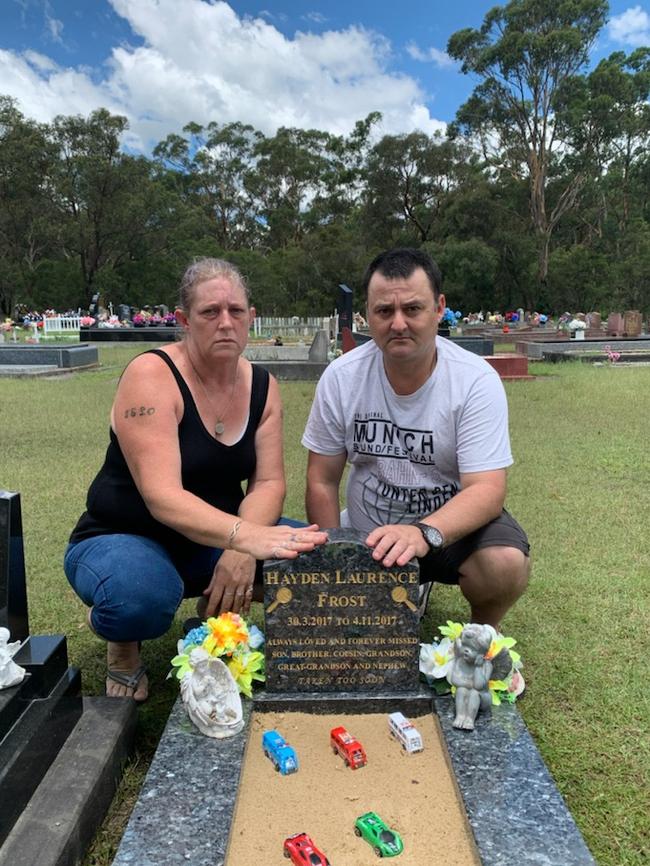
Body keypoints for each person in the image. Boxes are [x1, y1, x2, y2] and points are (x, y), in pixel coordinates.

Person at [65, 258, 327, 701]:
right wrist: (244, 537)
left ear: (251, 318)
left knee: (321, 560)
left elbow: (268, 484)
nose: (225, 323)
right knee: (138, 598)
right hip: (126, 536)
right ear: (184, 319)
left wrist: (241, 547)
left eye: (236, 311)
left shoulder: (263, 386)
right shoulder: (151, 376)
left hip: (214, 538)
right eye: (210, 312)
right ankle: (119, 635)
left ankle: (214, 610)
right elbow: (162, 497)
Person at [302, 248, 530, 631]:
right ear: (367, 315)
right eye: (384, 311)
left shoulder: (474, 381)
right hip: (368, 534)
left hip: (447, 534)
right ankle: (400, 583)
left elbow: (487, 489)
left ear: (439, 308)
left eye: (413, 309)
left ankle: (480, 637)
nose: (398, 324)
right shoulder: (342, 379)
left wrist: (423, 533)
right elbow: (321, 479)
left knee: (503, 564)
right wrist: (339, 558)